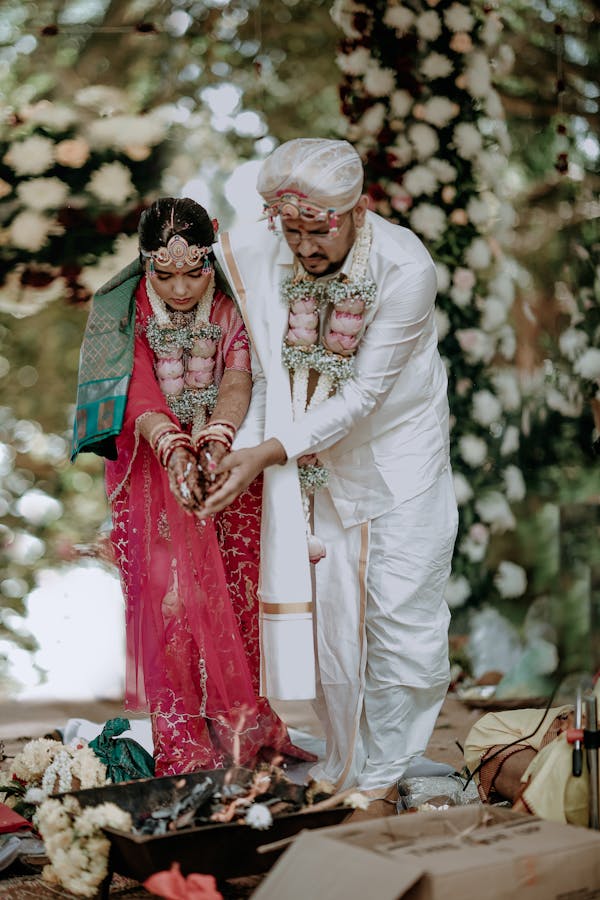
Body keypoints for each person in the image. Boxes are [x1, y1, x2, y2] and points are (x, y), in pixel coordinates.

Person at [203, 138, 459, 813]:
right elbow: (264, 371)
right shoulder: (275, 263)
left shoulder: (404, 270)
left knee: (401, 616)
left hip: (396, 463)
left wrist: (264, 454)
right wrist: (238, 445)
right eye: (291, 230)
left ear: (356, 210)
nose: (306, 247)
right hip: (310, 469)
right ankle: (346, 767)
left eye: (319, 230)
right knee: (335, 624)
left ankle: (384, 773)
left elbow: (361, 398)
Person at [71, 197, 313, 776]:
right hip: (154, 469)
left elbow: (239, 373)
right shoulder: (123, 310)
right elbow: (133, 390)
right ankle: (182, 739)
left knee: (232, 592)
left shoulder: (233, 303)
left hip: (226, 465)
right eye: (164, 272)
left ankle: (240, 728)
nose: (180, 287)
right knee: (170, 604)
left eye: (194, 270)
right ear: (145, 265)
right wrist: (174, 446)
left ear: (212, 259)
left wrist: (216, 439)